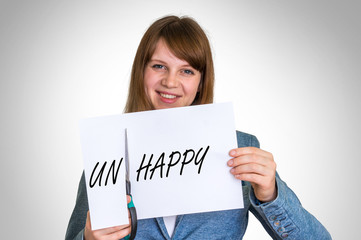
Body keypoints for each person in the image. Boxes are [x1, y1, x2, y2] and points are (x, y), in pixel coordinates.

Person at [65, 15, 331, 240]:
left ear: (201, 82)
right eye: (159, 66)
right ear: (141, 72)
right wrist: (88, 238)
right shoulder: (107, 153)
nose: (170, 82)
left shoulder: (237, 147)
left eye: (187, 71)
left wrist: (271, 193)